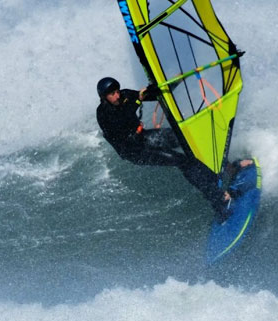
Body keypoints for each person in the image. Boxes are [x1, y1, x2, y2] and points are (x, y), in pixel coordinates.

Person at [96, 76, 248, 220]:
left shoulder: (125, 95)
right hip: (134, 151)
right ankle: (218, 200)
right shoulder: (103, 114)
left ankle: (229, 167)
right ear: (104, 97)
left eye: (116, 91)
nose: (116, 96)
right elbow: (123, 123)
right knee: (183, 161)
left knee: (186, 139)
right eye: (112, 94)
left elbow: (155, 95)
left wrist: (172, 82)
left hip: (144, 138)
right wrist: (137, 104)